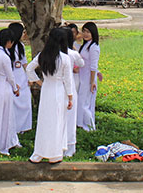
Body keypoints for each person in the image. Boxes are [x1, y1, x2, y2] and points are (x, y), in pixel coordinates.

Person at [26, 27, 74, 163]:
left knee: (44, 121)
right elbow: (68, 80)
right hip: (59, 91)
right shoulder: (65, 58)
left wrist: (39, 82)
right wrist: (70, 97)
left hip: (47, 88)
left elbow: (29, 68)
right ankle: (54, 154)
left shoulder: (42, 55)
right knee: (57, 121)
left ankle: (38, 153)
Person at [0, 28, 21, 155]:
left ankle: (5, 140)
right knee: (5, 115)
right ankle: (3, 144)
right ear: (9, 41)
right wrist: (15, 88)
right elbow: (10, 76)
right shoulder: (5, 56)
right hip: (5, 86)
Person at [63, 26, 85, 157]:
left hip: (57, 88)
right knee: (70, 117)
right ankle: (70, 145)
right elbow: (81, 64)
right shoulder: (72, 53)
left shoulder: (52, 53)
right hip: (69, 86)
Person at [8, 22, 32, 133]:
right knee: (13, 103)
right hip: (12, 76)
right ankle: (14, 127)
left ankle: (23, 126)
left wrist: (29, 76)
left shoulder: (20, 46)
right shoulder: (7, 47)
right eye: (22, 32)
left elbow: (24, 63)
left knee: (25, 101)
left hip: (21, 76)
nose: (24, 35)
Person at [77, 22, 100, 131]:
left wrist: (92, 82)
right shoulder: (85, 45)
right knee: (82, 102)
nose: (85, 34)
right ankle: (82, 124)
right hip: (82, 77)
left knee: (85, 104)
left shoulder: (94, 47)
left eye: (88, 32)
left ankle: (90, 127)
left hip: (88, 79)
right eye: (84, 31)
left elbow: (93, 66)